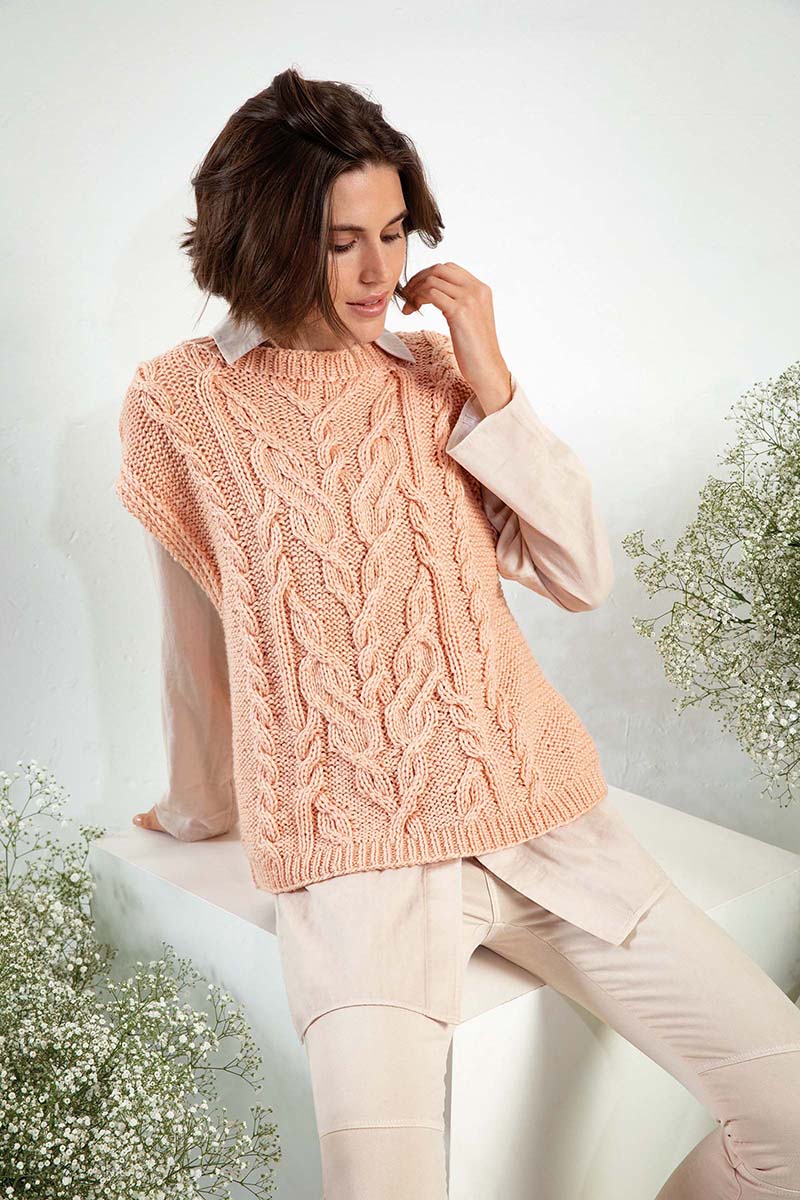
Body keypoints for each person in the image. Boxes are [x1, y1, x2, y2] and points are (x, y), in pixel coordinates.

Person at [117, 66, 800, 1200]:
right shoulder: (180, 405)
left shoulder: (433, 376)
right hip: (355, 866)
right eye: (340, 242)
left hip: (540, 818)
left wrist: (490, 372)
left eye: (392, 233)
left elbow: (578, 572)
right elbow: (198, 642)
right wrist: (197, 808)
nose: (379, 273)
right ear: (265, 238)